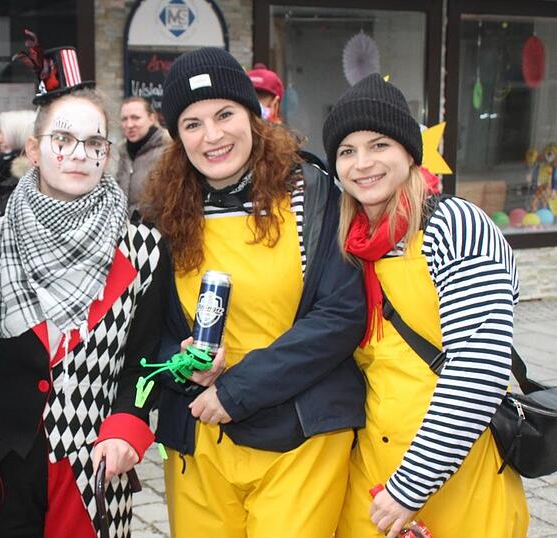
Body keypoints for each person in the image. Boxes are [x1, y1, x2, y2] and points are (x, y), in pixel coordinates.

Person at [143, 47, 366, 537]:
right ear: (177, 136)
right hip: (200, 434)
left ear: (253, 115)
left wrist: (238, 390)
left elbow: (341, 314)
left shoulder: (311, 194)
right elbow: (146, 328)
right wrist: (181, 363)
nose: (213, 135)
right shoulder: (164, 215)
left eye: (225, 114)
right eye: (193, 123)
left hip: (301, 433)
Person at [0, 40, 171, 538]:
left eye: (94, 143)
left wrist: (130, 422)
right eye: (63, 139)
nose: (79, 154)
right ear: (34, 150)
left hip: (92, 467)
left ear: (107, 153)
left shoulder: (143, 248)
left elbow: (145, 358)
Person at [324, 74, 528, 538]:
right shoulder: (348, 245)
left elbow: (478, 369)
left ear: (409, 153)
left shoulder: (454, 226)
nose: (363, 163)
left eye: (379, 145)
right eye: (347, 151)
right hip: (372, 479)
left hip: (456, 478)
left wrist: (409, 487)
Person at [115, 97, 170, 218]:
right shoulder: (123, 152)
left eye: (135, 118)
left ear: (152, 118)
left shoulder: (168, 150)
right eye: (124, 119)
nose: (129, 125)